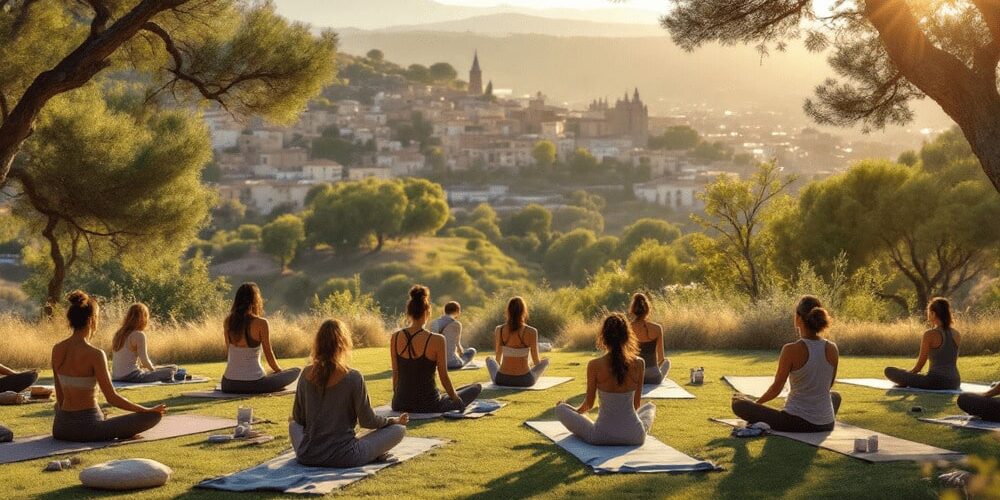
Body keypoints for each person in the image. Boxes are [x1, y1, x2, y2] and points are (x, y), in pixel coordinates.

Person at [290, 319, 409, 468]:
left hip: (308, 455)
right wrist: (392, 421)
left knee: (293, 425)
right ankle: (375, 454)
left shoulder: (306, 373)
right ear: (344, 343)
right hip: (345, 457)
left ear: (318, 344)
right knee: (399, 429)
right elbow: (368, 421)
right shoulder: (353, 377)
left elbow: (298, 418)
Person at [51, 291, 166, 442]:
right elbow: (112, 398)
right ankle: (115, 429)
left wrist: (66, 420)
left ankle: (106, 424)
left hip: (61, 428)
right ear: (92, 320)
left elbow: (60, 396)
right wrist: (146, 410)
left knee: (105, 416)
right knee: (153, 416)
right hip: (88, 428)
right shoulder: (95, 354)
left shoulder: (57, 349)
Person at [731, 296, 842, 432]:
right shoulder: (832, 348)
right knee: (835, 396)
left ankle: (747, 404)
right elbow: (829, 385)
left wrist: (756, 405)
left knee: (739, 404)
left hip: (795, 422)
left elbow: (776, 389)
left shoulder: (790, 349)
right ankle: (821, 416)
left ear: (798, 318)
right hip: (827, 423)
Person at [555, 313, 655, 445]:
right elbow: (636, 405)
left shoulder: (594, 365)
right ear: (627, 336)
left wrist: (572, 411)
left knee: (560, 408)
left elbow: (588, 405)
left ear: (604, 337)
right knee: (650, 407)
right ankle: (638, 426)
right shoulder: (639, 363)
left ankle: (563, 408)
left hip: (601, 436)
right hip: (635, 436)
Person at [390, 285, 482, 413]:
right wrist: (457, 400)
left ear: (409, 312)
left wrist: (398, 397)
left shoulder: (395, 337)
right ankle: (453, 396)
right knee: (475, 388)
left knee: (456, 391)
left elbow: (395, 372)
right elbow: (443, 377)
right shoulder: (437, 340)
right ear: (427, 312)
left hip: (399, 403)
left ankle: (450, 395)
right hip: (429, 405)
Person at [220, 283, 301, 394]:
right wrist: (280, 373)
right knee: (296, 371)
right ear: (255, 301)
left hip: (228, 384)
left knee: (269, 372)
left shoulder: (228, 321)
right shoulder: (261, 323)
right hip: (254, 384)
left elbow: (229, 351)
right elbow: (268, 354)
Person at [884, 298, 961, 390]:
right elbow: (951, 361)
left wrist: (907, 378)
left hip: (937, 382)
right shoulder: (957, 334)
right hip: (955, 381)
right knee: (911, 375)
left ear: (933, 314)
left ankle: (906, 375)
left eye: (928, 312)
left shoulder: (929, 334)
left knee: (889, 371)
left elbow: (919, 367)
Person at [485, 297, 549, 387]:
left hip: (502, 379)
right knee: (545, 361)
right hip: (524, 380)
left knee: (489, 359)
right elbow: (536, 362)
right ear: (523, 312)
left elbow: (498, 359)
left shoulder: (499, 329)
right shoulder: (532, 331)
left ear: (508, 311)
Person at [111, 303, 177, 383]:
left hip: (116, 377)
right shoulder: (138, 335)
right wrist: (153, 370)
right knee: (172, 370)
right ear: (143, 318)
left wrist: (152, 369)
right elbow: (144, 361)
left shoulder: (118, 334)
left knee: (171, 367)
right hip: (132, 376)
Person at [629, 293, 670, 385]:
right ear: (647, 310)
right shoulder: (657, 328)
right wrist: (653, 369)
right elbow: (661, 358)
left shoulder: (627, 328)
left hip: (634, 377)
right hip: (653, 378)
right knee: (667, 362)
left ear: (633, 310)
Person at [429, 301, 476, 370]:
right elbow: (458, 345)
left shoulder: (434, 323)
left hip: (437, 363)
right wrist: (460, 353)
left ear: (445, 311)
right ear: (457, 311)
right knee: (472, 350)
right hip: (452, 363)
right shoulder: (456, 324)